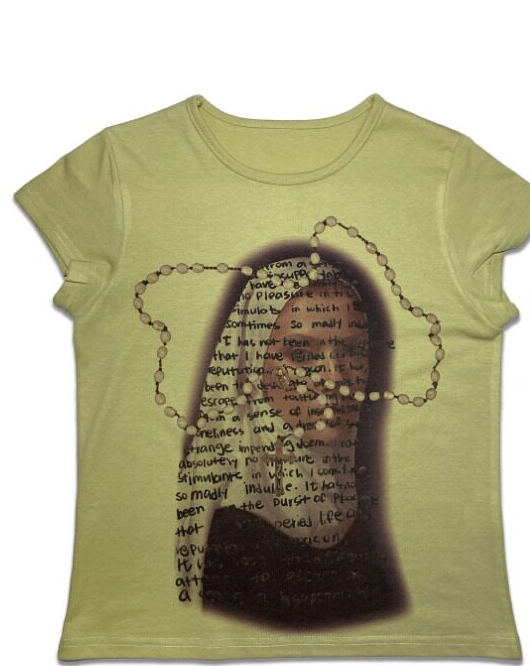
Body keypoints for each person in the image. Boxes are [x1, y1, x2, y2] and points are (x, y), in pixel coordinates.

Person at [173, 251, 408, 629]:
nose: (334, 378)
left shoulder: (350, 501)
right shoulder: (230, 528)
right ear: (254, 364)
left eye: (352, 351)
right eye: (301, 354)